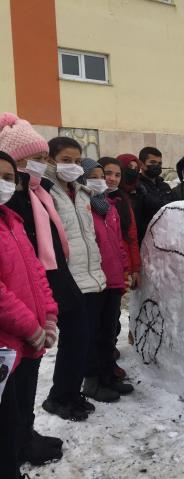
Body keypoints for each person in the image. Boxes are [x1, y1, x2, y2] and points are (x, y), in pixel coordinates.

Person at [0, 113, 70, 464]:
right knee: (9, 407)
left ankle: (23, 439)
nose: (42, 165)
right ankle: (17, 446)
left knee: (23, 393)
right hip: (11, 333)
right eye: (35, 159)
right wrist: (32, 326)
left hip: (31, 324)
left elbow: (36, 267)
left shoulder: (20, 210)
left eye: (9, 178)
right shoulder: (14, 204)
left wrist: (49, 314)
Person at [42, 137, 106, 421]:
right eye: (66, 160)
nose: (73, 166)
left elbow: (88, 236)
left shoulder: (81, 193)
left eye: (78, 161)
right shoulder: (45, 192)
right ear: (51, 160)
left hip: (89, 276)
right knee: (73, 341)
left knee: (82, 341)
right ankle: (59, 397)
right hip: (66, 279)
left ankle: (70, 393)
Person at [80, 159, 134, 403]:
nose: (103, 181)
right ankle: (92, 381)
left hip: (112, 280)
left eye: (105, 176)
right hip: (95, 281)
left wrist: (124, 269)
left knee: (108, 333)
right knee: (93, 334)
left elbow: (119, 243)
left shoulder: (109, 207)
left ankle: (108, 375)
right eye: (95, 176)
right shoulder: (83, 208)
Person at [99, 156, 141, 379]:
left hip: (119, 267)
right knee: (98, 322)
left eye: (117, 175)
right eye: (108, 173)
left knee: (112, 318)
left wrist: (134, 268)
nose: (112, 179)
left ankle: (108, 358)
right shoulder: (88, 198)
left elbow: (131, 236)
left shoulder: (122, 201)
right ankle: (98, 369)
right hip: (96, 270)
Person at [135, 146, 175, 244]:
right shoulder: (137, 186)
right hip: (145, 240)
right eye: (152, 162)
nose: (157, 166)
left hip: (165, 238)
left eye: (159, 163)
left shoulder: (165, 186)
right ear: (141, 164)